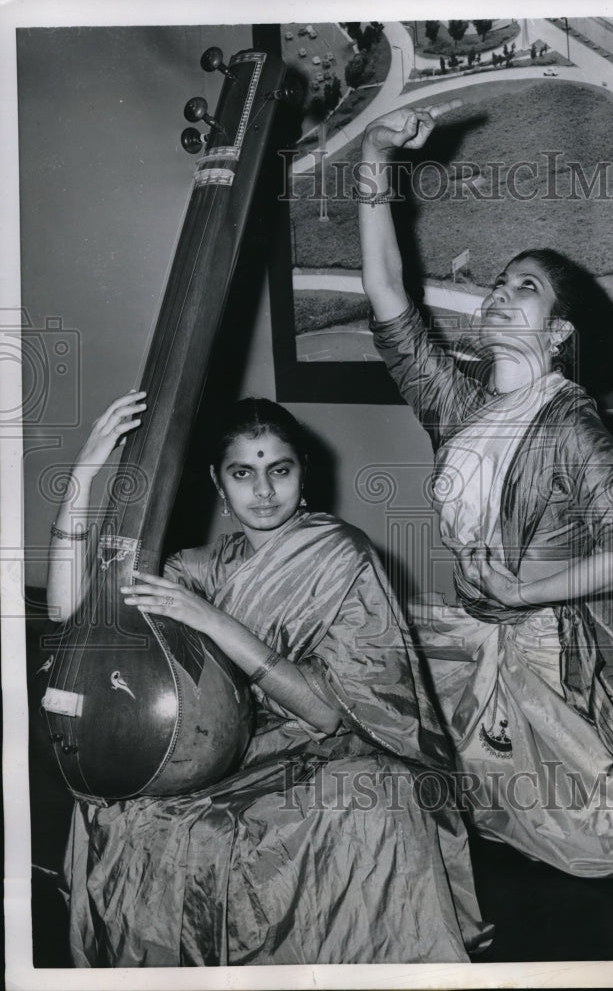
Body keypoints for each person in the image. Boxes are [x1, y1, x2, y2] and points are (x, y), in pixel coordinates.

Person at [355, 101, 613, 883]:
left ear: (557, 331)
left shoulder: (569, 424)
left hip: (562, 654)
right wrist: (373, 155)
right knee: (450, 796)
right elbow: (388, 291)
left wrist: (530, 588)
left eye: (523, 288)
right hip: (482, 636)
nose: (498, 292)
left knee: (599, 839)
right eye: (499, 281)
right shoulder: (457, 404)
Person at [47, 391, 492, 966]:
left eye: (279, 470)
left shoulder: (340, 555)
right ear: (218, 482)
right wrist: (83, 475)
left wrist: (211, 620)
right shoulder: (200, 567)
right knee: (122, 810)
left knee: (317, 814)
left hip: (335, 746)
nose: (262, 490)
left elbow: (329, 714)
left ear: (302, 475)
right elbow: (70, 614)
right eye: (243, 473)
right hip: (235, 741)